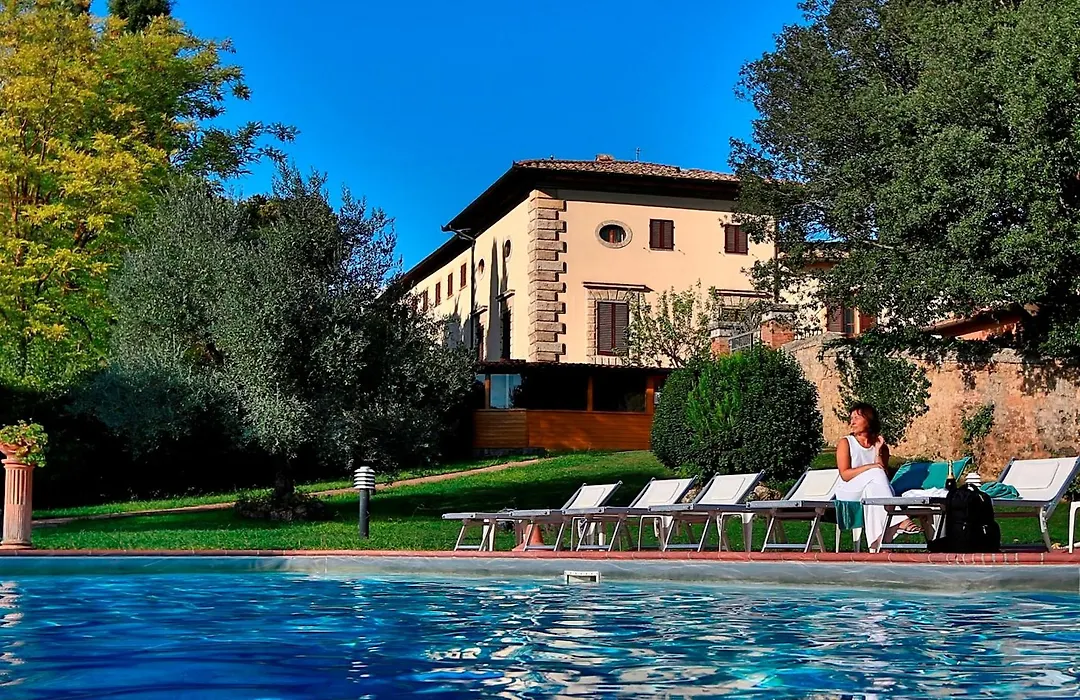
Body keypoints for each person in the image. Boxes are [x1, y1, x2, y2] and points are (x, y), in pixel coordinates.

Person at [833, 402, 918, 551]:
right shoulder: (846, 443)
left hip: (869, 492)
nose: (852, 422)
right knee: (876, 472)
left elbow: (883, 477)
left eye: (857, 418)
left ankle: (878, 545)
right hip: (848, 491)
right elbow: (845, 475)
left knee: (872, 491)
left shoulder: (880, 446)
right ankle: (899, 518)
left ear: (869, 419)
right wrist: (870, 467)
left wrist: (878, 451)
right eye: (851, 418)